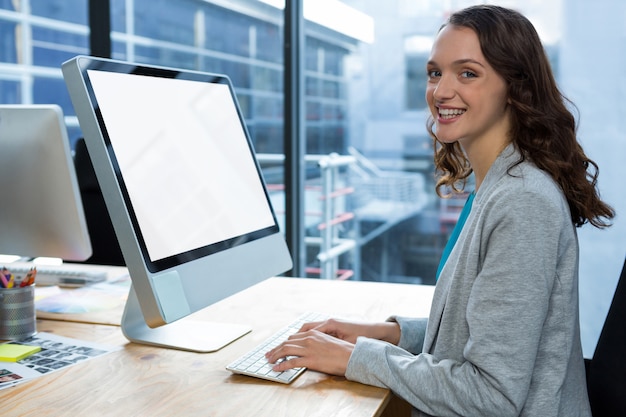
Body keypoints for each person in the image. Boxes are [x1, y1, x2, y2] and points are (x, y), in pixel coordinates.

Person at [266, 4, 615, 417]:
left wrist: (350, 359)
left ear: (515, 87)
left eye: (467, 73)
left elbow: (491, 396)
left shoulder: (522, 202)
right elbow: (472, 334)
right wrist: (382, 334)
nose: (441, 91)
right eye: (435, 72)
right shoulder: (496, 185)